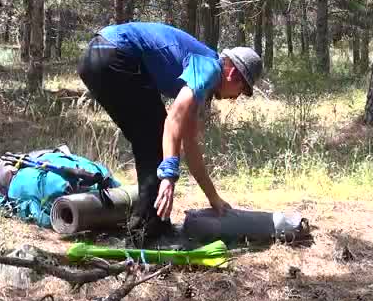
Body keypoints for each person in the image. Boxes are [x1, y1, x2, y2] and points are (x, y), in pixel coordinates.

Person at [77, 21, 263, 242]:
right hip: (115, 55)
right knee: (155, 137)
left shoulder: (201, 79)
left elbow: (190, 145)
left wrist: (213, 198)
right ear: (233, 74)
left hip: (96, 56)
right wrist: (168, 176)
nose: (236, 97)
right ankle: (145, 233)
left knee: (149, 137)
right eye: (242, 90)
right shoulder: (209, 67)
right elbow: (173, 119)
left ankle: (153, 226)